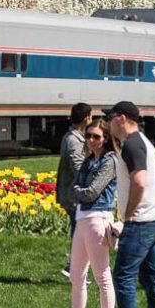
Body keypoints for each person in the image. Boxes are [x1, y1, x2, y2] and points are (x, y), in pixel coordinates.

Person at [46, 119, 118, 308]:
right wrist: (80, 192)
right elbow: (77, 188)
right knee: (77, 275)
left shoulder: (110, 161)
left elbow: (92, 192)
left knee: (102, 276)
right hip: (82, 218)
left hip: (98, 218)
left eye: (96, 136)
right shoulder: (88, 161)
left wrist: (79, 192)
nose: (91, 140)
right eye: (88, 136)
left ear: (106, 138)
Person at [105, 101, 155, 308]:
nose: (108, 123)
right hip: (154, 219)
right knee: (151, 278)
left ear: (121, 118)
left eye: (110, 117)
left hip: (141, 221)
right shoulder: (140, 141)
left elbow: (139, 182)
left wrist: (129, 214)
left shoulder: (132, 144)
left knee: (123, 276)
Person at [56, 103, 92, 276]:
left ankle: (75, 268)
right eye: (91, 117)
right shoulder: (74, 141)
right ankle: (74, 269)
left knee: (80, 234)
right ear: (86, 118)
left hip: (74, 195)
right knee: (80, 235)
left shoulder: (73, 138)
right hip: (75, 196)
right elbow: (79, 169)